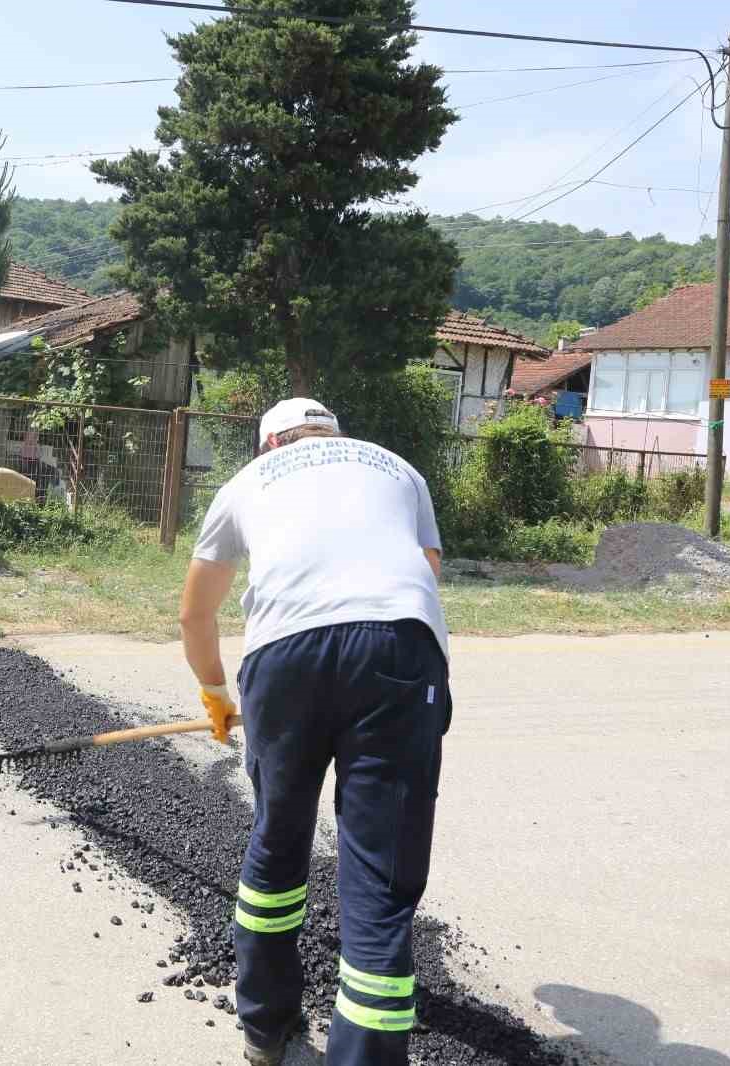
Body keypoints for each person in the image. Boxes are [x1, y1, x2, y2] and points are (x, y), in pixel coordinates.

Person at [178, 397, 452, 1066]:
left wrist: (217, 693)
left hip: (283, 657)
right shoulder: (397, 469)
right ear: (337, 435)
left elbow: (195, 614)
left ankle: (267, 1031)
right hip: (398, 648)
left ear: (269, 445)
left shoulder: (248, 481)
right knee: (379, 882)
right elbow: (428, 574)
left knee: (277, 840)